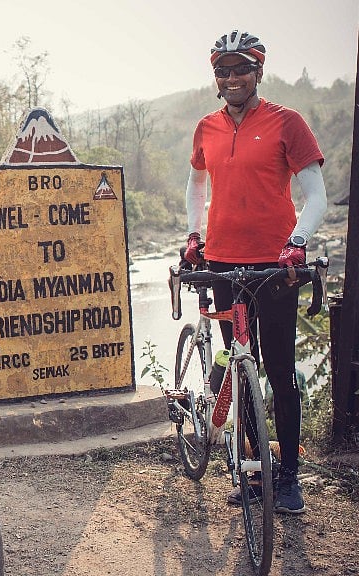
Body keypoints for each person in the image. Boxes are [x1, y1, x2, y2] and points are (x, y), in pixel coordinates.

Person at [184, 30, 327, 515]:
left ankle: (289, 476)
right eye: (221, 71)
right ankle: (252, 469)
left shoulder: (288, 122)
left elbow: (317, 195)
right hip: (223, 262)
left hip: (275, 264)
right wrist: (194, 237)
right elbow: (196, 182)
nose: (230, 79)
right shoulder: (207, 127)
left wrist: (297, 244)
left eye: (240, 69)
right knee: (241, 366)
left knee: (281, 371)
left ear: (258, 70)